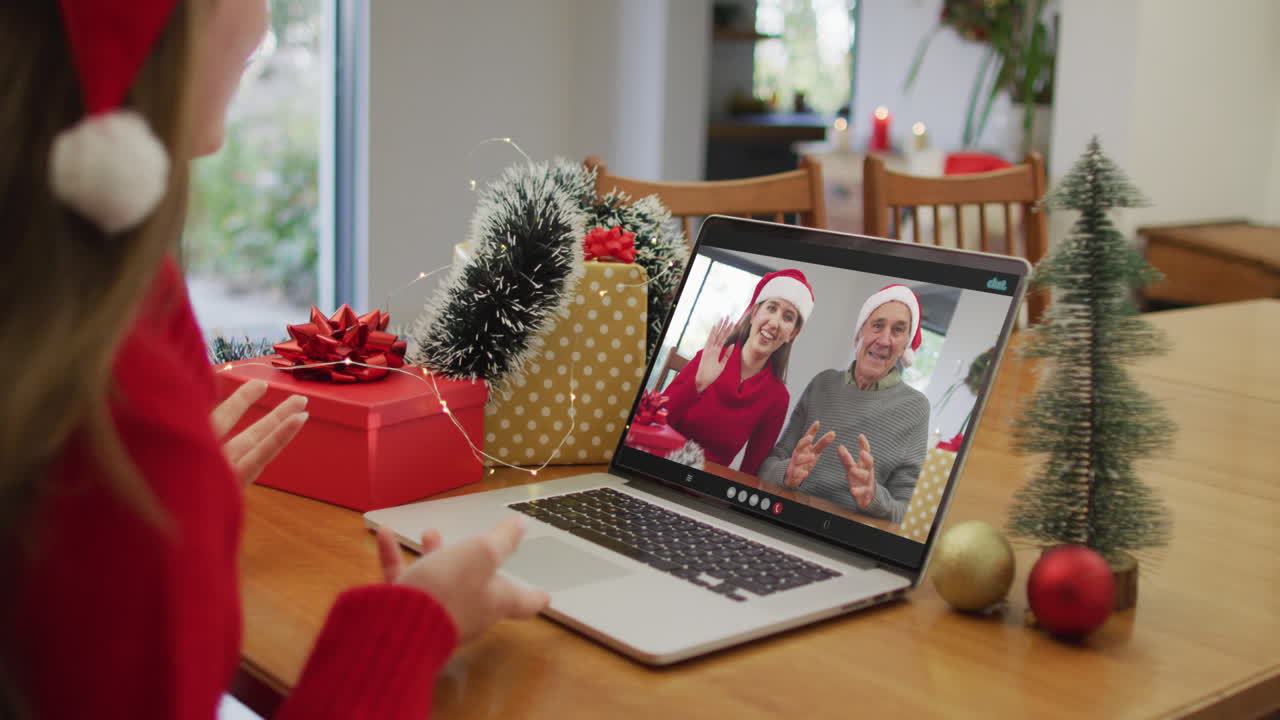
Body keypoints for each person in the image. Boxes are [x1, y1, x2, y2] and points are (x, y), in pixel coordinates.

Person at [0, 2, 547, 718]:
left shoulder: (86, 328)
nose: (263, 27)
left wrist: (182, 518)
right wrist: (415, 621)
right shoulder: (119, 414)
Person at [759, 284, 930, 523]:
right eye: (878, 325)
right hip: (785, 519)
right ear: (859, 333)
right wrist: (787, 472)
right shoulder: (822, 383)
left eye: (898, 330)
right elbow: (768, 466)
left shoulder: (915, 408)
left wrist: (873, 497)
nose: (884, 340)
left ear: (905, 345)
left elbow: (907, 513)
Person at [662, 269, 815, 475]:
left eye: (788, 317)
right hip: (659, 468)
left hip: (703, 491)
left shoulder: (777, 398)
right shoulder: (709, 358)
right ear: (754, 314)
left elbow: (752, 471)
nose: (774, 322)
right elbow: (656, 419)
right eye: (771, 308)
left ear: (792, 334)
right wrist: (697, 385)